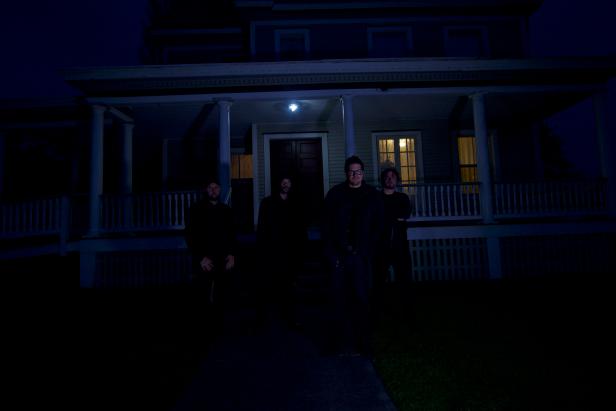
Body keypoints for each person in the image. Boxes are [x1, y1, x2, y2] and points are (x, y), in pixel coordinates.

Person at [322, 155, 384, 356]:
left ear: (363, 173)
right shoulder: (335, 194)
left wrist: (368, 251)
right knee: (337, 300)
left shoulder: (372, 195)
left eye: (358, 171)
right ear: (346, 173)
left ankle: (363, 342)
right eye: (351, 171)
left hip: (361, 258)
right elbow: (326, 226)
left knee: (361, 300)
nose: (355, 175)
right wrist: (332, 253)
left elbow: (378, 227)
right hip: (339, 257)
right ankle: (335, 343)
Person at [184, 179, 236, 337]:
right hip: (205, 258)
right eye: (210, 187)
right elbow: (190, 235)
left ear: (220, 190)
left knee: (221, 294)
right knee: (202, 295)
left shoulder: (226, 210)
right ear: (206, 190)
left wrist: (232, 255)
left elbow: (231, 234)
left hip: (222, 257)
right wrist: (200, 258)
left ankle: (219, 329)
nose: (213, 190)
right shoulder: (196, 209)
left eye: (216, 187)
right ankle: (203, 330)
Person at [255, 176, 307, 330]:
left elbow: (301, 229)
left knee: (290, 288)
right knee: (267, 287)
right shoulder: (267, 203)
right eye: (283, 182)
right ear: (278, 184)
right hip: (272, 252)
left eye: (288, 182)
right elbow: (262, 228)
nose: (285, 184)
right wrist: (262, 251)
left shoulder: (296, 204)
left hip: (290, 253)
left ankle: (291, 319)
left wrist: (301, 251)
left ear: (291, 185)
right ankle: (263, 321)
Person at [373, 167, 411, 314]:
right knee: (379, 279)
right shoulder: (376, 198)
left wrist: (388, 218)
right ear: (382, 180)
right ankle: (378, 311)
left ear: (397, 180)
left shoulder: (402, 198)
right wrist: (393, 219)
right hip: (380, 247)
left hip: (399, 246)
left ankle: (403, 310)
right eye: (387, 177)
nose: (390, 179)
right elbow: (376, 218)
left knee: (403, 278)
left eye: (393, 176)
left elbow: (404, 214)